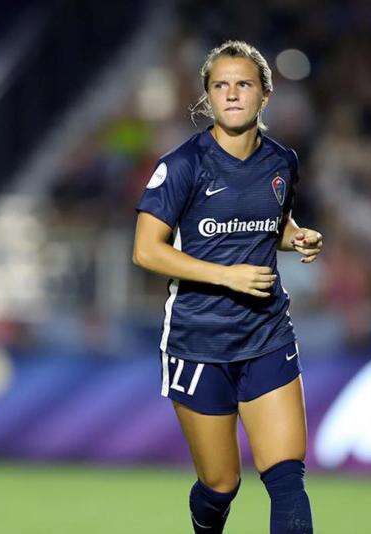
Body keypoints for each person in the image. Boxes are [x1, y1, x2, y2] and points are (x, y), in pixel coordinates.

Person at [132, 40, 322, 534]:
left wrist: (295, 235)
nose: (232, 94)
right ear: (208, 97)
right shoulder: (182, 165)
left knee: (286, 480)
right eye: (221, 85)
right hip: (200, 340)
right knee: (220, 485)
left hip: (267, 334)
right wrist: (226, 275)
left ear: (265, 94)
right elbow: (147, 250)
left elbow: (267, 222)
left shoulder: (282, 162)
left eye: (243, 84)